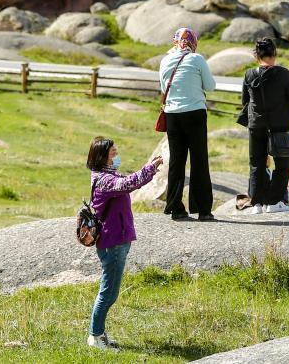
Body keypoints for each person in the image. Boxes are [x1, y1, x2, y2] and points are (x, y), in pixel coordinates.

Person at [86, 136, 164, 350]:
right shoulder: (104, 180)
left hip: (117, 240)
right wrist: (150, 168)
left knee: (110, 291)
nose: (116, 155)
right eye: (113, 153)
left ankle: (99, 334)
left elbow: (126, 181)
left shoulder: (107, 175)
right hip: (112, 242)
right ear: (102, 157)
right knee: (108, 292)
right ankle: (95, 336)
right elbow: (128, 184)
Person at [158, 27, 216, 221]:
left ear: (176, 41)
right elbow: (210, 86)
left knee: (176, 161)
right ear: (193, 42)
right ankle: (203, 209)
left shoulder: (165, 61)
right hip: (195, 113)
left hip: (173, 115)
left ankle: (175, 207)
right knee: (199, 160)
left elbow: (163, 86)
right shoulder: (197, 59)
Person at [238, 37, 289, 214]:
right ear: (275, 53)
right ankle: (274, 202)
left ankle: (256, 203)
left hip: (256, 124)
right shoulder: (283, 73)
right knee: (282, 164)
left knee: (256, 163)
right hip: (279, 124)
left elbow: (244, 101)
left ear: (256, 55)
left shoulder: (249, 74)